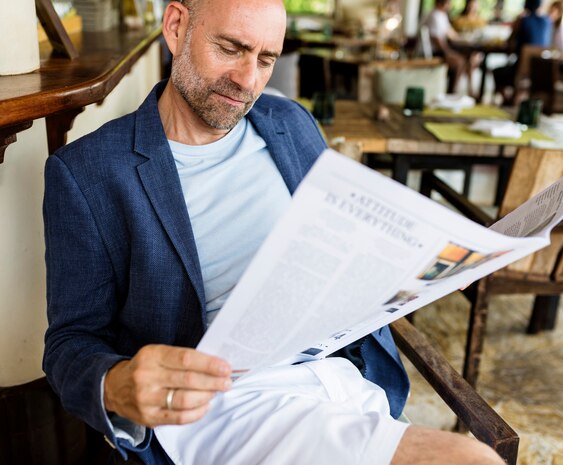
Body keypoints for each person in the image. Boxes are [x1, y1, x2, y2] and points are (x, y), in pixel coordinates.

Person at [42, 0, 507, 464]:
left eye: (266, 60)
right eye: (230, 48)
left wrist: (419, 266)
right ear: (177, 27)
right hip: (229, 407)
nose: (248, 81)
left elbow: (340, 242)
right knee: (472, 460)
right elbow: (70, 343)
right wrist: (117, 384)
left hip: (342, 378)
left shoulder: (291, 124)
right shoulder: (87, 173)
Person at [492, 0, 553, 104]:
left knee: (497, 72)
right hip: (539, 71)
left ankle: (507, 100)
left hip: (520, 70)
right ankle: (511, 100)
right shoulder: (548, 21)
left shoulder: (522, 20)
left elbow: (509, 44)